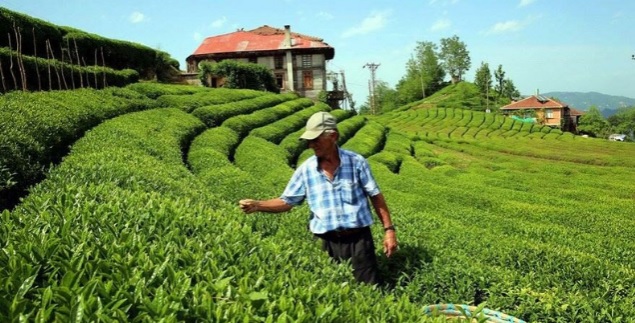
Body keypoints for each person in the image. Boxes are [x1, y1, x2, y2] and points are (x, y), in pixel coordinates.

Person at [239, 111, 398, 285]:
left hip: (358, 240)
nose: (311, 145)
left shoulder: (357, 162)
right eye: (309, 141)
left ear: (333, 136)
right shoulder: (305, 169)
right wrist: (258, 205)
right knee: (331, 290)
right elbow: (287, 201)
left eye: (316, 139)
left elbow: (375, 196)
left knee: (369, 288)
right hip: (325, 242)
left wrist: (389, 230)